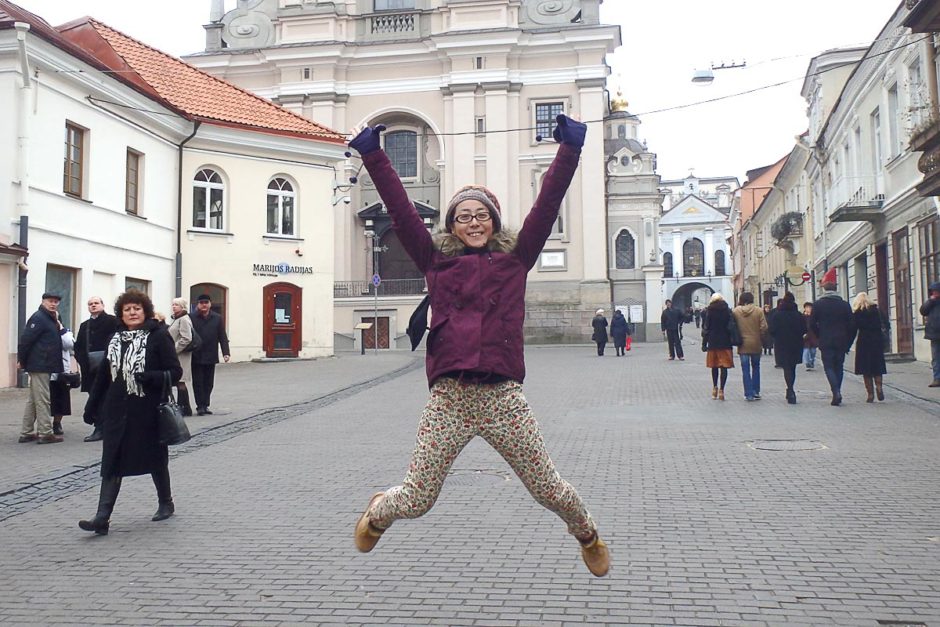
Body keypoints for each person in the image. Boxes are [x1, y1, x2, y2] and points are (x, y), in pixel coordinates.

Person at [347, 116, 610, 577]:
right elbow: (402, 210)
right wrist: (372, 151)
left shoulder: (516, 258)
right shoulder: (435, 261)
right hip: (449, 399)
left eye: (481, 214)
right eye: (463, 216)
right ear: (452, 225)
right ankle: (378, 512)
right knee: (418, 498)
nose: (473, 223)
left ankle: (587, 533)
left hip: (503, 398)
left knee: (550, 490)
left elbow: (547, 204)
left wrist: (569, 149)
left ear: (493, 221)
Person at [79, 290, 182, 535]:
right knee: (112, 459)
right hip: (117, 407)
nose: (132, 313)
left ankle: (165, 502)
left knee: (155, 457)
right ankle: (102, 517)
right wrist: (92, 406)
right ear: (121, 314)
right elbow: (104, 375)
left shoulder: (158, 336)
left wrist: (150, 377)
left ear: (145, 310)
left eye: (137, 308)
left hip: (147, 407)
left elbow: (174, 372)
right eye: (127, 309)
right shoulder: (116, 338)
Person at [17, 293, 66, 444]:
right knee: (43, 399)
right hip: (40, 364)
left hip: (42, 363)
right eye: (50, 301)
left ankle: (26, 432)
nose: (53, 304)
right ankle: (45, 432)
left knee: (33, 399)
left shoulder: (50, 318)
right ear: (43, 301)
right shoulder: (39, 317)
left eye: (56, 302)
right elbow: (26, 340)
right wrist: (21, 360)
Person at [75, 296, 119, 442]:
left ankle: (104, 427)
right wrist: (83, 361)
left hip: (109, 368)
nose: (93, 306)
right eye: (90, 304)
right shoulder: (84, 325)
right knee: (95, 397)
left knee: (107, 398)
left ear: (102, 305)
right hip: (90, 369)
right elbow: (79, 347)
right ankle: (100, 426)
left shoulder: (113, 321)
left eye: (96, 303)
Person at [811, 268, 857, 406]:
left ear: (824, 289)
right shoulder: (844, 305)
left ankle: (835, 391)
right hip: (841, 340)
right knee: (839, 367)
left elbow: (812, 324)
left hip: (826, 340)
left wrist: (818, 337)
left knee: (829, 367)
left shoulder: (818, 305)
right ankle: (838, 390)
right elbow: (852, 325)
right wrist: (848, 342)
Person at [190, 294, 230, 416]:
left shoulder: (217, 318)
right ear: (198, 304)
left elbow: (222, 336)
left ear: (210, 304)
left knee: (208, 382)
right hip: (196, 355)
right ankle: (200, 406)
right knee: (198, 382)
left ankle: (206, 405)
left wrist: (226, 353)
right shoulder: (191, 318)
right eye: (201, 302)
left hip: (210, 354)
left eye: (206, 302)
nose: (204, 304)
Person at [769, 292, 807, 404]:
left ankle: (790, 390)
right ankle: (790, 389)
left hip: (782, 345)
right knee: (792, 367)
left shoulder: (777, 315)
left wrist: (776, 337)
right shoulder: (798, 315)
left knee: (786, 368)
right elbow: (804, 329)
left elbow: (771, 330)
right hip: (796, 344)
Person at [852, 292, 888, 403]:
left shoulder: (857, 313)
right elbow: (887, 324)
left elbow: (853, 329)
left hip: (864, 342)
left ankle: (870, 394)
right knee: (878, 367)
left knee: (865, 369)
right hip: (877, 342)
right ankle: (879, 387)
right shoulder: (877, 311)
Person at [732, 292, 768, 401]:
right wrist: (759, 335)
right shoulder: (759, 311)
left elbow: (733, 326)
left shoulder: (736, 311)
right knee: (756, 367)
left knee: (745, 369)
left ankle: (748, 394)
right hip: (756, 342)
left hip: (742, 343)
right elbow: (764, 327)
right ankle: (756, 391)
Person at [701, 293, 734, 401]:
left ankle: (714, 388)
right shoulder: (728, 311)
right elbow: (731, 326)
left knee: (714, 366)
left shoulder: (709, 311)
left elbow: (706, 328)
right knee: (723, 367)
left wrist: (704, 343)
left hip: (713, 342)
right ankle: (722, 390)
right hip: (725, 342)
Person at [167, 298, 196, 417]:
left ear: (182, 306)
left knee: (181, 381)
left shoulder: (183, 319)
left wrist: (174, 350)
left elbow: (186, 338)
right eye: (173, 304)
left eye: (176, 305)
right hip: (178, 355)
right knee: (179, 381)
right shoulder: (177, 319)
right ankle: (184, 406)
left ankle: (184, 407)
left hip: (181, 356)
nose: (174, 307)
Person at [49, 319, 77, 436]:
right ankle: (43, 424)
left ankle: (57, 423)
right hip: (47, 371)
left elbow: (70, 344)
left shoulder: (65, 333)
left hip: (62, 372)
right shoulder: (45, 331)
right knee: (46, 400)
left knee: (61, 400)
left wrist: (61, 329)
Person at [920, 282, 940, 387]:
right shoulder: (931, 303)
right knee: (936, 358)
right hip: (934, 334)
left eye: (937, 291)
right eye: (933, 291)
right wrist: (931, 301)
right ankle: (937, 378)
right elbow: (923, 311)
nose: (935, 293)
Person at [802, 302, 818, 371]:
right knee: (806, 350)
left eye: (810, 307)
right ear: (805, 308)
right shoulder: (802, 317)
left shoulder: (814, 317)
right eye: (807, 307)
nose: (808, 309)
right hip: (805, 336)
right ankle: (807, 363)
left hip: (813, 336)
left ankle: (811, 361)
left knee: (813, 351)